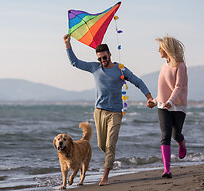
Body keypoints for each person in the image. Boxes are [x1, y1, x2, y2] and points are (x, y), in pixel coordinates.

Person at [63, 34, 153, 186]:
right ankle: (110, 159)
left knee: (110, 145)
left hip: (116, 113)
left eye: (104, 57)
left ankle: (105, 176)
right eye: (100, 58)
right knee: (101, 144)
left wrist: (149, 97)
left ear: (110, 54)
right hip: (99, 112)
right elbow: (74, 62)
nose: (102, 61)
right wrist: (67, 44)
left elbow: (138, 81)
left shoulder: (120, 69)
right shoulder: (94, 67)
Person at [148, 35, 188, 179]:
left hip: (178, 106)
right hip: (163, 106)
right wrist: (154, 101)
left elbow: (178, 87)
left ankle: (182, 144)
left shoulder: (180, 65)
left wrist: (171, 101)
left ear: (167, 49)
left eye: (160, 48)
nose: (159, 51)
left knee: (175, 135)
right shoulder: (163, 65)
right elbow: (162, 90)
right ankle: (167, 170)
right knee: (165, 136)